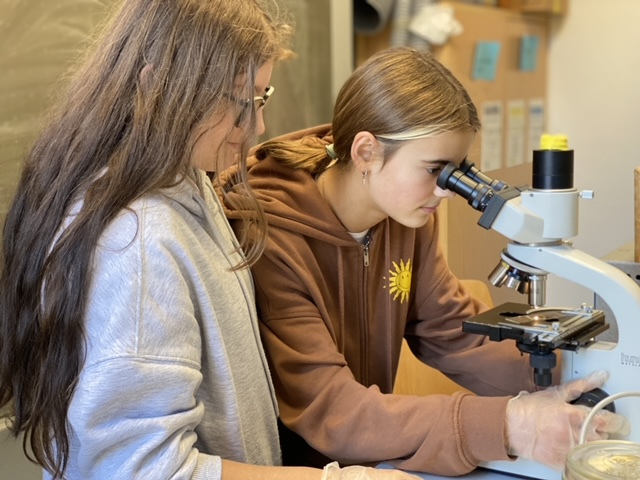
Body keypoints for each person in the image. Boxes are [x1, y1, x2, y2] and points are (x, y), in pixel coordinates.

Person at [0, 2, 420, 480]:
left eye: (261, 98)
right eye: (241, 103)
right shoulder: (138, 243)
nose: (257, 127)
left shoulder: (187, 178)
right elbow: (143, 470)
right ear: (157, 86)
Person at [220, 46, 630, 476]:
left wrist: (591, 373)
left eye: (457, 172)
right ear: (366, 152)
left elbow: (454, 333)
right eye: (435, 170)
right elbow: (334, 410)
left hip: (377, 460)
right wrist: (509, 425)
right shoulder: (271, 239)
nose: (447, 190)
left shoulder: (405, 219)